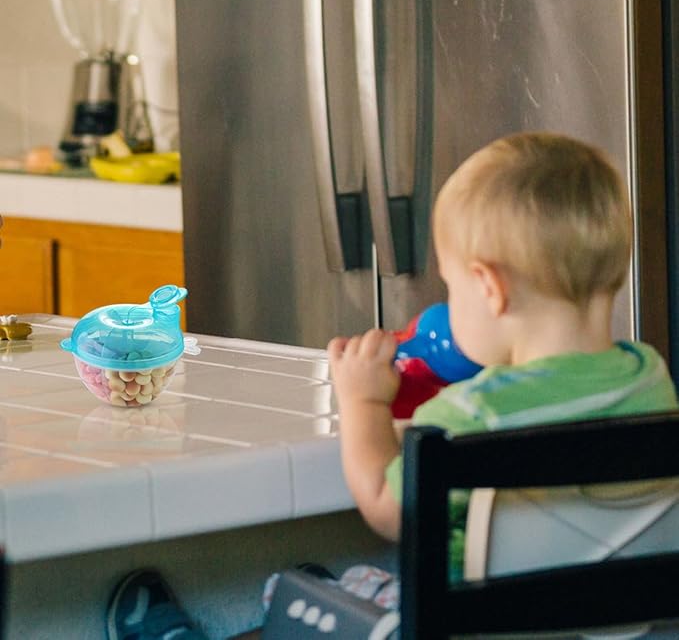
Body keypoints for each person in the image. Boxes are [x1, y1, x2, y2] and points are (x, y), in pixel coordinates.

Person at [104, 132, 678, 639]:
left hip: (468, 627)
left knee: (312, 604)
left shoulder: (473, 415)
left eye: (452, 288)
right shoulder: (651, 378)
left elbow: (387, 506)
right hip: (616, 625)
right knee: (345, 595)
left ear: (490, 289)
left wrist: (364, 402)